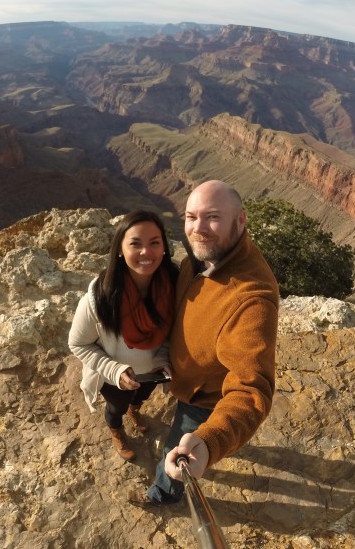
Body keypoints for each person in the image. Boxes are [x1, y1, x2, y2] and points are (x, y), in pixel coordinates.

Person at [133, 180, 280, 505]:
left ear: (240, 221)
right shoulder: (197, 259)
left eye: (212, 217)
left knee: (179, 451)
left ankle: (162, 495)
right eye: (191, 217)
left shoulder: (251, 299)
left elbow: (250, 392)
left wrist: (209, 441)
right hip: (184, 377)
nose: (198, 229)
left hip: (204, 400)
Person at [68, 210, 180, 462]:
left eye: (154, 242)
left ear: (164, 247)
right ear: (119, 250)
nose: (146, 252)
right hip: (113, 379)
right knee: (115, 408)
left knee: (140, 397)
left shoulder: (172, 289)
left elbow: (170, 333)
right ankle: (116, 429)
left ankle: (135, 410)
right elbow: (78, 343)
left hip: (152, 373)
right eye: (135, 244)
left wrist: (163, 359)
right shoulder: (99, 299)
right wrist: (114, 370)